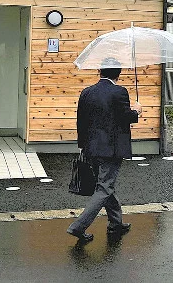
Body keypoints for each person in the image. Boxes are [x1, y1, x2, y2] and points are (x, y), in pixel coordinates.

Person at [67, 57, 142, 242]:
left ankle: (116, 223)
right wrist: (137, 111)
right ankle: (78, 226)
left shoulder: (86, 92)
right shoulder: (120, 92)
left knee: (106, 185)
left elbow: (81, 122)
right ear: (119, 73)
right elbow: (126, 117)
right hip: (111, 149)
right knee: (104, 187)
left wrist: (83, 146)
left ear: (100, 71)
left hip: (91, 148)